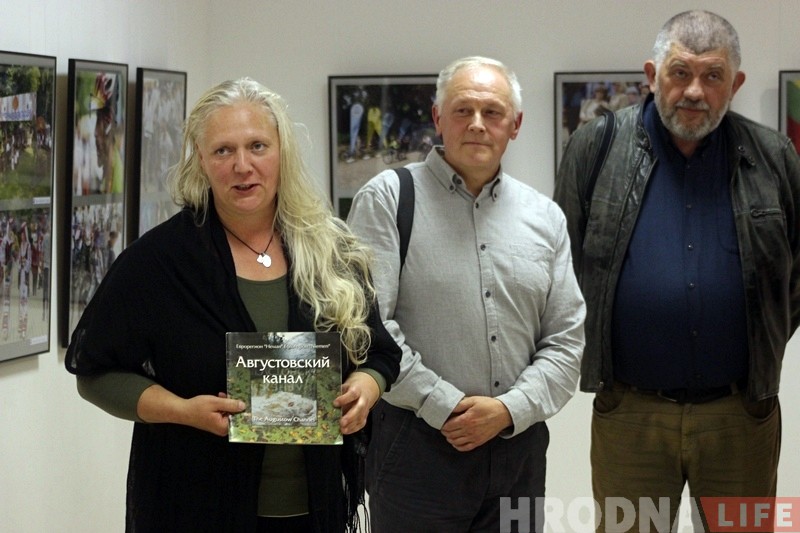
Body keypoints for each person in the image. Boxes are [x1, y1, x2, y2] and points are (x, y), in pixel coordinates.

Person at [65, 78, 401, 532]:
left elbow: (380, 352)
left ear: (282, 152)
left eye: (257, 146)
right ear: (201, 160)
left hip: (314, 510)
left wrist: (366, 386)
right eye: (223, 150)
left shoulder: (331, 249)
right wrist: (181, 411)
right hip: (194, 508)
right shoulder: (159, 261)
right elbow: (95, 371)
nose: (243, 166)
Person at [554, 10, 800, 531]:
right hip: (631, 416)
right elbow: (564, 262)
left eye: (712, 76)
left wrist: (762, 334)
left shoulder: (774, 156)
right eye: (680, 72)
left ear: (735, 84)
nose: (694, 91)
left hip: (740, 417)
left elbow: (795, 276)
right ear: (652, 75)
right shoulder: (595, 148)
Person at [347, 56, 586, 532]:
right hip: (416, 449)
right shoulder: (387, 199)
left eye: (492, 112)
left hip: (519, 452)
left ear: (515, 125)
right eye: (463, 110)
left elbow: (566, 340)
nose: (477, 123)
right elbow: (367, 327)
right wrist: (445, 406)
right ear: (438, 118)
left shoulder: (545, 217)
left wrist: (508, 410)